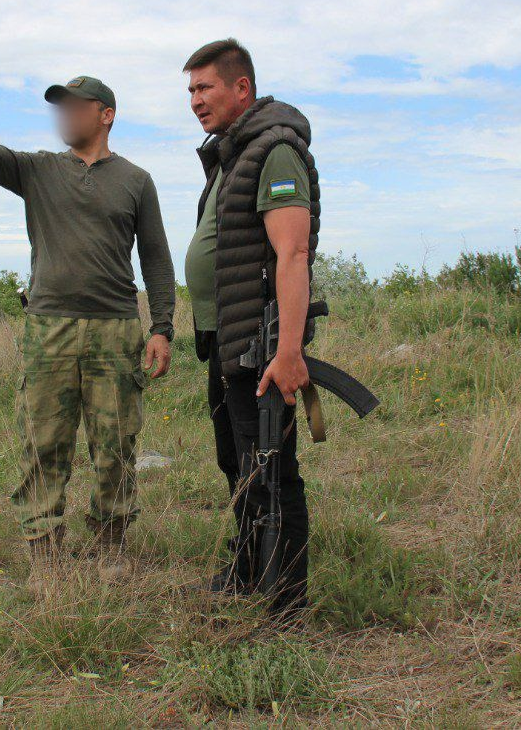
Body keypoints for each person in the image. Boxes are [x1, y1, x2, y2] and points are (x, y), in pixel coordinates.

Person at [0, 77, 175, 589]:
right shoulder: (38, 169)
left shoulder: (135, 180)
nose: (63, 116)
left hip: (115, 330)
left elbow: (155, 256)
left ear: (105, 114)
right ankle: (46, 556)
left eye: (74, 107)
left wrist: (162, 327)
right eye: (59, 108)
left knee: (116, 444)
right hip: (49, 329)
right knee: (43, 441)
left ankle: (111, 547)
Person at [182, 39, 319, 616]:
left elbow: (292, 254)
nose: (194, 101)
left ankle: (284, 599)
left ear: (242, 88)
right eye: (189, 90)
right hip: (227, 339)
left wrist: (288, 353)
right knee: (238, 462)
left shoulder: (276, 151)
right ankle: (245, 571)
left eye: (204, 87)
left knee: (270, 467)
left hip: (259, 341)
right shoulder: (233, 154)